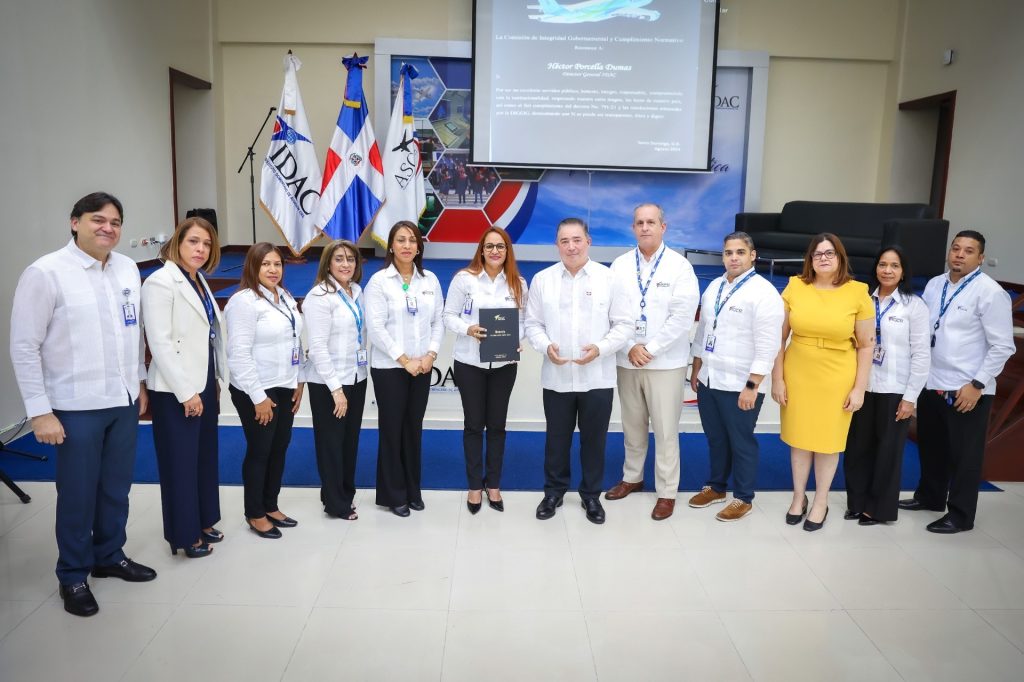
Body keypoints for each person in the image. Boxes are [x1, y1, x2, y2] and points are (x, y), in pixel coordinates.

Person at [10, 192, 156, 617]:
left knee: (116, 488)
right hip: (75, 406)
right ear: (75, 222)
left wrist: (140, 383)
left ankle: (110, 555)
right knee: (77, 495)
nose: (108, 228)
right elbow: (24, 347)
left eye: (115, 221)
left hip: (124, 400)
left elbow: (135, 334)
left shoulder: (128, 268)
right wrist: (40, 410)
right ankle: (73, 575)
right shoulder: (46, 273)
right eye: (97, 220)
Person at [899, 230, 1014, 533]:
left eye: (968, 251)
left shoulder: (990, 293)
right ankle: (930, 496)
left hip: (967, 388)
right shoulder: (936, 284)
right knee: (932, 446)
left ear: (981, 258)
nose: (960, 255)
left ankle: (961, 515)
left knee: (965, 456)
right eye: (956, 248)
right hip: (933, 380)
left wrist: (977, 385)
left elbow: (1003, 346)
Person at [525, 218, 631, 524]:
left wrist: (600, 348)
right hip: (556, 376)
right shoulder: (543, 280)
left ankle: (590, 496)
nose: (571, 246)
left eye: (577, 240)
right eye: (564, 241)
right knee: (556, 439)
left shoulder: (608, 279)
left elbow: (623, 324)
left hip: (597, 377)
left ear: (588, 241)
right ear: (556, 244)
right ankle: (553, 493)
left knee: (594, 440)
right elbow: (533, 323)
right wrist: (546, 347)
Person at [771, 233, 874, 531]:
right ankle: (798, 497)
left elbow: (867, 344)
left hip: (837, 374)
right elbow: (778, 337)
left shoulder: (858, 292)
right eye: (817, 254)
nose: (824, 258)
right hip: (798, 370)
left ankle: (821, 501)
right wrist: (777, 378)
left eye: (830, 253)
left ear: (840, 258)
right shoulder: (795, 286)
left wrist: (859, 388)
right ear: (810, 259)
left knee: (828, 443)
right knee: (799, 439)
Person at [604, 204, 699, 520]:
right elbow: (610, 312)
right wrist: (631, 345)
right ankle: (632, 477)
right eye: (639, 223)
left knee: (665, 429)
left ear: (663, 226)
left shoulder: (679, 267)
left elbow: (683, 316)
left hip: (665, 364)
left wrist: (651, 348)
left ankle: (667, 492)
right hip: (627, 359)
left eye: (651, 222)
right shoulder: (618, 266)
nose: (645, 227)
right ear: (633, 228)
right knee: (632, 426)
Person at [142, 216, 227, 557]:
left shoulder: (198, 280)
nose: (200, 249)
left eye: (206, 244)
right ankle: (185, 535)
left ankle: (204, 519)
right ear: (178, 242)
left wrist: (213, 381)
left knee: (204, 457)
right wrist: (186, 392)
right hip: (175, 389)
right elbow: (160, 344)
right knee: (180, 463)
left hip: (202, 379)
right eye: (193, 241)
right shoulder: (161, 282)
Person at [689, 232, 784, 522]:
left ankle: (743, 497)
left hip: (742, 384)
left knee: (741, 441)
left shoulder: (764, 293)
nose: (733, 258)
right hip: (710, 378)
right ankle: (716, 487)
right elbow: (704, 331)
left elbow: (769, 345)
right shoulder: (714, 287)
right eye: (728, 252)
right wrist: (696, 370)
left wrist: (752, 386)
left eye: (740, 252)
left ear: (752, 255)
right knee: (716, 439)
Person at [443, 227, 527, 514]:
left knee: (497, 426)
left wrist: (518, 339)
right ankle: (474, 488)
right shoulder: (464, 280)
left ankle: (494, 485)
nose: (494, 251)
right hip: (469, 364)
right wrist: (468, 328)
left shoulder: (518, 283)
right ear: (481, 249)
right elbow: (448, 316)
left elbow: (525, 321)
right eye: (489, 246)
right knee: (473, 425)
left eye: (500, 246)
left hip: (504, 365)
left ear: (507, 251)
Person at [843, 246, 930, 525]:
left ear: (903, 271)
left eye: (894, 266)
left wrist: (910, 398)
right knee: (857, 449)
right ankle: (856, 503)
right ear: (875, 268)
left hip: (895, 389)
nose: (888, 271)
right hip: (862, 386)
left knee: (887, 452)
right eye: (883, 264)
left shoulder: (913, 306)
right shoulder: (863, 300)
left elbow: (921, 354)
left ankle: (877, 509)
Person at [364, 221, 445, 517]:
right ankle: (392, 493)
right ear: (391, 245)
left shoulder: (430, 280)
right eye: (401, 240)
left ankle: (413, 490)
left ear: (419, 245)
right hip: (390, 368)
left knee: (413, 428)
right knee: (392, 429)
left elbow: (438, 321)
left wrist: (431, 354)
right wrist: (404, 360)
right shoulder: (379, 282)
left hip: (422, 366)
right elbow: (376, 328)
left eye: (412, 240)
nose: (407, 245)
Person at [225, 243, 305, 539]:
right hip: (256, 389)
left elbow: (295, 340)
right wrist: (258, 397)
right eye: (266, 264)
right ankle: (255, 513)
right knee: (260, 450)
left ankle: (271, 505)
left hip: (285, 384)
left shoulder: (283, 296)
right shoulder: (244, 302)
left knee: (279, 447)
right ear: (252, 267)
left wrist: (299, 380)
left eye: (277, 264)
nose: (273, 270)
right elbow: (239, 354)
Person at [303, 240, 367, 521]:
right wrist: (336, 389)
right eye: (339, 259)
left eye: (351, 259)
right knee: (331, 443)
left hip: (357, 376)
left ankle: (343, 493)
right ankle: (336, 503)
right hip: (329, 383)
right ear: (327, 263)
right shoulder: (319, 297)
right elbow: (317, 348)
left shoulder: (357, 292)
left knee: (349, 442)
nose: (346, 264)